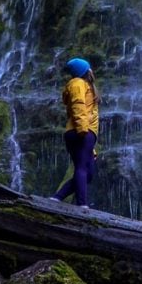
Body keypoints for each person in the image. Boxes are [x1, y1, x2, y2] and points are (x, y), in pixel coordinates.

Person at [50, 57, 99, 207]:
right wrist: (82, 129)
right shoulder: (78, 83)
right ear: (85, 70)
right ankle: (82, 205)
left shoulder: (85, 85)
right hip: (81, 130)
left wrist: (92, 149)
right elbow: (78, 105)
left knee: (88, 173)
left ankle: (57, 197)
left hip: (84, 131)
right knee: (82, 168)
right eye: (89, 67)